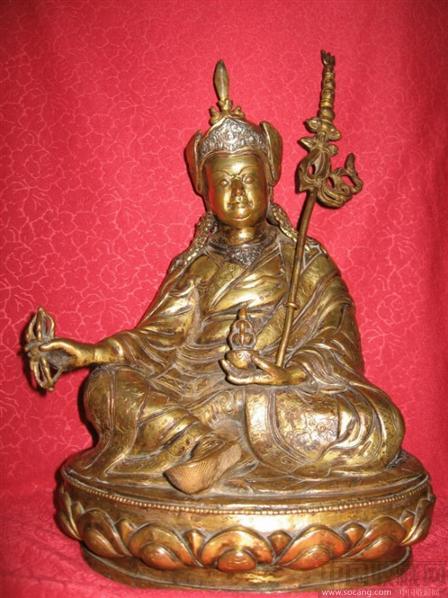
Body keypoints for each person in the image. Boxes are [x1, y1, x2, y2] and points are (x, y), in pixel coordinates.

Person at [26, 63, 404, 495]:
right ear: (206, 193)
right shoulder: (196, 266)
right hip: (197, 393)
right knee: (105, 386)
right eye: (223, 182)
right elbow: (156, 340)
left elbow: (337, 339)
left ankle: (223, 442)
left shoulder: (305, 259)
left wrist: (290, 374)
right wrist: (90, 353)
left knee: (380, 422)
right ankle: (205, 444)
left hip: (276, 396)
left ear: (269, 183)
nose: (237, 193)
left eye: (248, 179)